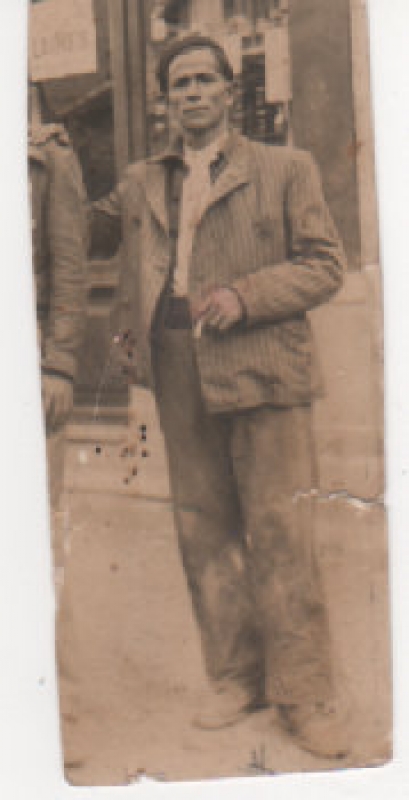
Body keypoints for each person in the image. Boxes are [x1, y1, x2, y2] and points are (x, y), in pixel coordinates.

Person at [91, 33, 349, 759]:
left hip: (260, 360)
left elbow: (325, 266)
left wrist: (246, 294)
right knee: (203, 530)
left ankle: (304, 695)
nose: (194, 94)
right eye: (180, 85)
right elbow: (80, 225)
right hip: (178, 363)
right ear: (165, 103)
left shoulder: (286, 168)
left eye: (205, 80)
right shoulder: (144, 180)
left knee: (279, 529)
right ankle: (235, 679)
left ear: (230, 93)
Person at [29, 114, 88, 769]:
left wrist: (60, 364)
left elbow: (70, 268)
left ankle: (55, 711)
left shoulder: (46, 159)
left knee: (36, 534)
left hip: (26, 364)